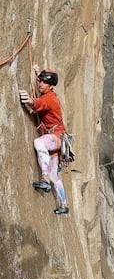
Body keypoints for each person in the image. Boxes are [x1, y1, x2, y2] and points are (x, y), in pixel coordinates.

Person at [19, 66, 69, 214]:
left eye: (43, 82)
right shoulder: (49, 93)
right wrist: (37, 72)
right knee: (56, 175)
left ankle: (45, 179)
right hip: (58, 139)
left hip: (56, 137)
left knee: (39, 142)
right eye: (39, 81)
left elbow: (39, 104)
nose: (40, 84)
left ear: (51, 86)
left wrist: (29, 99)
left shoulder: (49, 98)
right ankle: (64, 205)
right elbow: (42, 96)